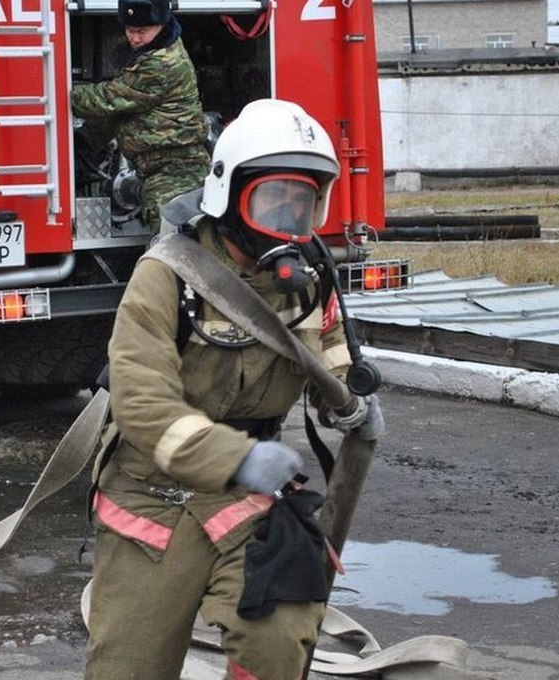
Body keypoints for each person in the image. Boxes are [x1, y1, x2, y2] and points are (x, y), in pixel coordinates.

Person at [84, 99, 385, 679]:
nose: (290, 220)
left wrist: (351, 402)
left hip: (251, 501)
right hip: (152, 496)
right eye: (275, 200)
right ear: (230, 194)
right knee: (128, 668)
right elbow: (142, 407)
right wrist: (239, 457)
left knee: (280, 639)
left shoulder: (309, 281)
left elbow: (329, 356)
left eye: (304, 203)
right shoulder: (169, 274)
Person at [71, 0, 209, 233]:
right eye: (129, 30)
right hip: (162, 169)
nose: (134, 38)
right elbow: (122, 112)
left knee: (173, 250)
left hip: (175, 173)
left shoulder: (161, 62)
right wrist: (85, 141)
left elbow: (108, 99)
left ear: (161, 25)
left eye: (141, 31)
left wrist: (59, 90)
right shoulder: (153, 50)